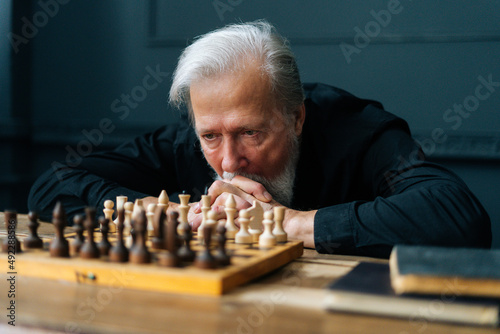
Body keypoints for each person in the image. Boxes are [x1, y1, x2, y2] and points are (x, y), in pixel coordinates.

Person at [28, 20, 491, 258]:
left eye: (250, 132)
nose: (229, 161)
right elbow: (52, 184)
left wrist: (286, 223)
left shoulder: (360, 131)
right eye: (210, 136)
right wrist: (165, 213)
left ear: (297, 117)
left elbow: (457, 218)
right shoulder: (190, 141)